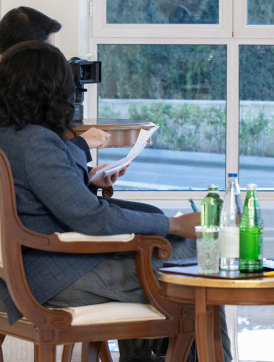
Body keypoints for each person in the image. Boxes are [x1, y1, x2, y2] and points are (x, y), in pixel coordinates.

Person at [0, 41, 221, 360]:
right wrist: (174, 224)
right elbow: (93, 218)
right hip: (53, 279)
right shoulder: (37, 142)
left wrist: (85, 179)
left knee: (159, 245)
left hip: (24, 273)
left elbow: (32, 196)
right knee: (201, 254)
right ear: (52, 90)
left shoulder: (10, 136)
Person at [0, 6, 118, 191]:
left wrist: (88, 175)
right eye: (49, 50)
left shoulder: (18, 87)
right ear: (29, 53)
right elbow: (30, 154)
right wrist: (81, 144)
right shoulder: (11, 95)